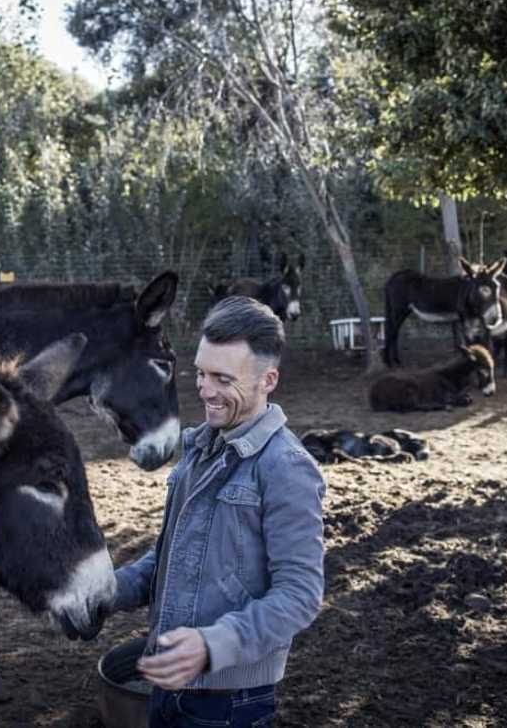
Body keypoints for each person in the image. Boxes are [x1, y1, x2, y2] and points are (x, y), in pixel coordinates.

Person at [111, 295, 326, 727]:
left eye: (223, 379)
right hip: (169, 685)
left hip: (231, 703)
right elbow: (168, 559)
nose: (205, 390)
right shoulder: (200, 447)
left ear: (269, 380)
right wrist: (104, 592)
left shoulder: (286, 468)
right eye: (200, 373)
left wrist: (214, 645)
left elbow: (300, 594)